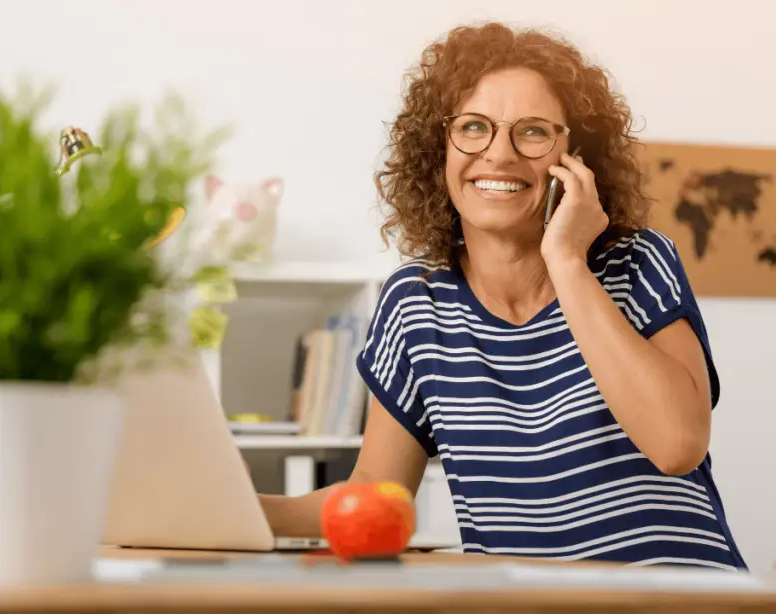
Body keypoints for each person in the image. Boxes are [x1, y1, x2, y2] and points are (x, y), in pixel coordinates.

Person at [259, 21, 746, 570]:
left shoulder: (637, 262)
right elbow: (374, 493)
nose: (499, 154)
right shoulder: (416, 303)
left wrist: (567, 263)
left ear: (576, 157)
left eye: (533, 132)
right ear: (437, 148)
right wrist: (246, 512)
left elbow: (678, 444)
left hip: (681, 599)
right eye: (473, 127)